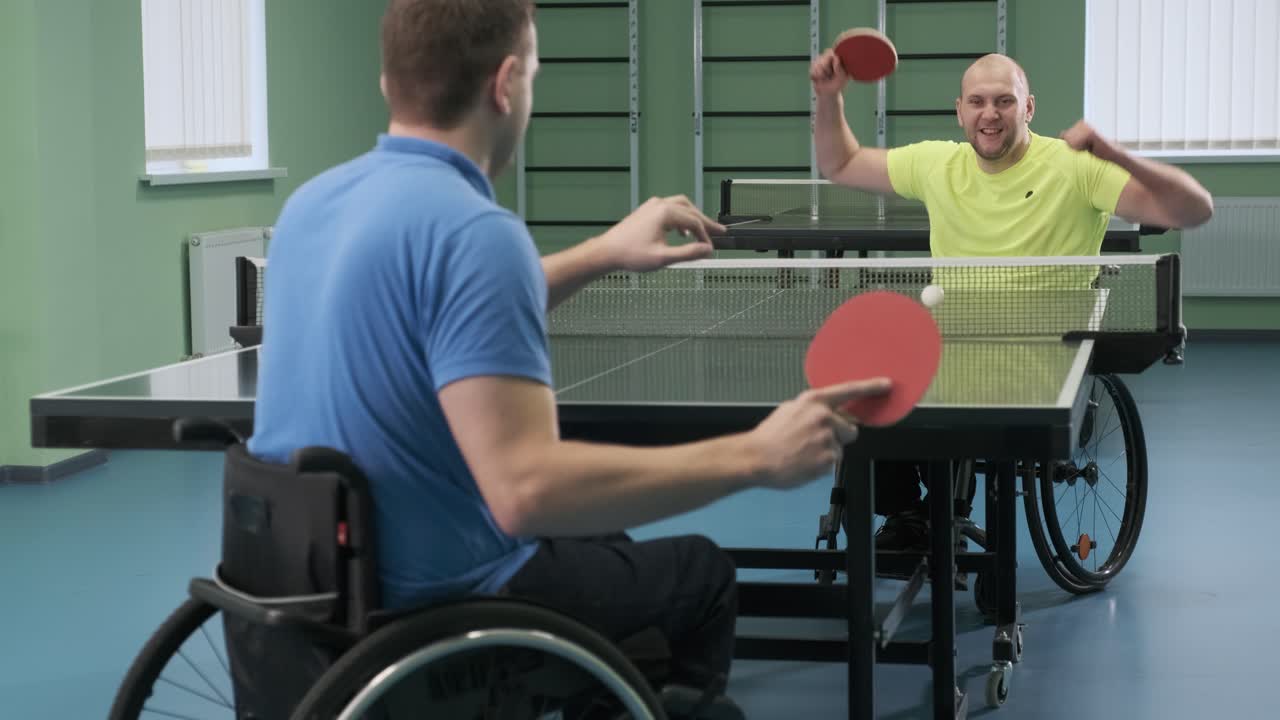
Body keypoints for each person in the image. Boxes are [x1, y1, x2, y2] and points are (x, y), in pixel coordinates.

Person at [247, 0, 891, 701]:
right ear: (505, 84)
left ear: (388, 83)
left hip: (310, 583)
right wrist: (755, 456)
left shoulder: (313, 203)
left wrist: (604, 252)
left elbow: (438, 310)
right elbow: (527, 493)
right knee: (701, 575)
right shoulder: (473, 232)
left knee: (608, 539)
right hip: (434, 599)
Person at [809, 49, 1213, 555]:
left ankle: (955, 522)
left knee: (960, 412)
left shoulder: (1076, 168)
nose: (990, 113)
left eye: (1004, 100)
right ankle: (909, 516)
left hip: (1045, 356)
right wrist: (829, 98)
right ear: (960, 111)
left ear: (1028, 108)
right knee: (867, 390)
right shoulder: (937, 164)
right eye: (977, 102)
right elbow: (840, 163)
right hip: (953, 344)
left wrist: (1117, 154)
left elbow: (1195, 210)